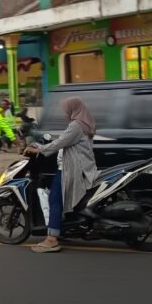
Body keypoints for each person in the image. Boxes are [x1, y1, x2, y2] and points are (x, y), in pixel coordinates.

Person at [25, 97, 98, 254]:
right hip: (80, 166)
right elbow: (64, 140)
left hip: (70, 168)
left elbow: (61, 142)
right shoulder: (84, 123)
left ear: (73, 109)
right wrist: (42, 146)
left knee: (54, 199)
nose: (65, 113)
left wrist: (39, 150)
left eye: (66, 110)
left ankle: (52, 239)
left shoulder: (76, 125)